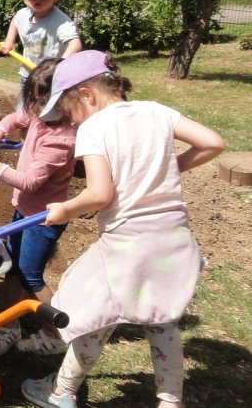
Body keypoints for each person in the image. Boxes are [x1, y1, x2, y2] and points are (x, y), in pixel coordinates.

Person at [19, 50, 225, 408]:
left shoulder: (95, 128)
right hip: (173, 237)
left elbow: (99, 194)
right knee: (162, 318)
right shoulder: (157, 111)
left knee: (94, 314)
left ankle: (61, 393)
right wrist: (167, 168)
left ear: (87, 95)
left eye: (69, 112)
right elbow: (213, 143)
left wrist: (65, 208)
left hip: (128, 242)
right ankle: (170, 400)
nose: (71, 121)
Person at [0, 58, 73, 357]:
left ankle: (55, 335)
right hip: (24, 211)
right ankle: (9, 326)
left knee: (31, 276)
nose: (35, 109)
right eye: (34, 101)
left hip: (43, 219)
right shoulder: (42, 116)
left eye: (42, 102)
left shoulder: (62, 140)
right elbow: (16, 118)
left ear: (65, 99)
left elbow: (28, 182)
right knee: (13, 270)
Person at [0, 0, 82, 88]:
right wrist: (9, 41)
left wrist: (59, 65)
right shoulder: (22, 14)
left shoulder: (61, 21)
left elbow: (75, 44)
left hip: (51, 78)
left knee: (49, 106)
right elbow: (15, 21)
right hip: (28, 75)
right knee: (25, 106)